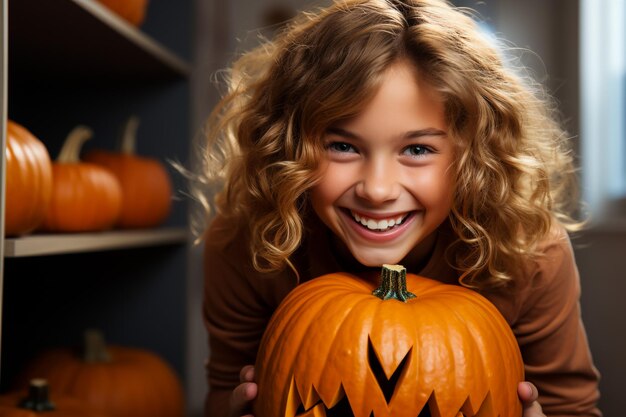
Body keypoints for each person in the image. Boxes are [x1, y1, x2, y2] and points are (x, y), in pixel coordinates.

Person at [192, 0, 602, 416]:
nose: (377, 189)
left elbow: (572, 407)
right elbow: (224, 391)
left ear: (475, 157)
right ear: (287, 147)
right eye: (343, 146)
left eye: (417, 149)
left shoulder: (529, 251)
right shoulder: (247, 242)